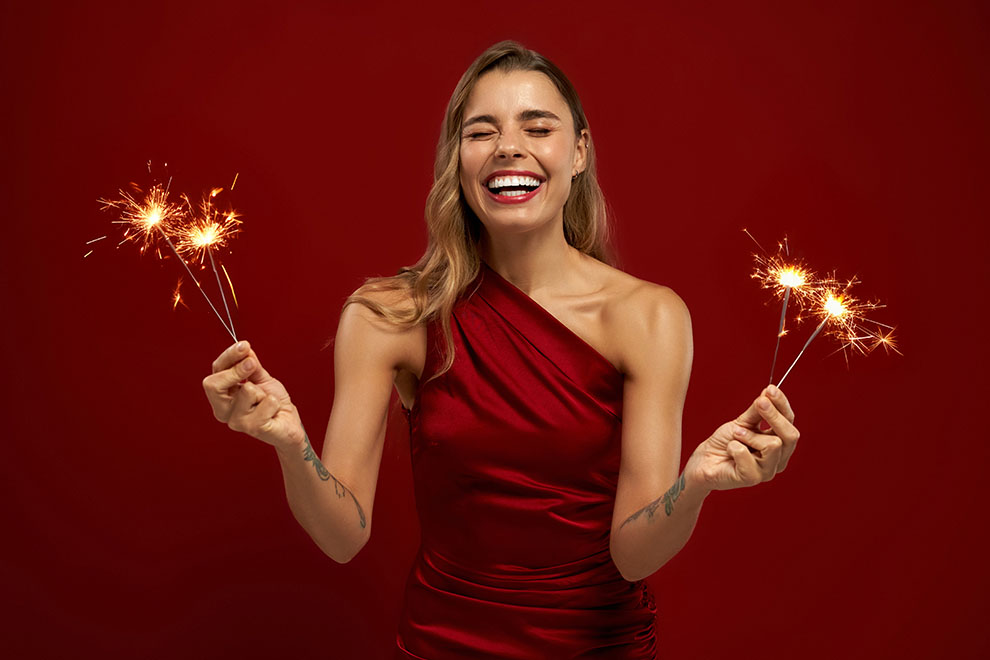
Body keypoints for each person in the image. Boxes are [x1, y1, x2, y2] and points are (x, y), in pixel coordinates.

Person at [202, 41, 800, 659]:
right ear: (458, 162)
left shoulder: (650, 316)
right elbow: (342, 536)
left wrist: (695, 484)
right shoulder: (390, 316)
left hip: (598, 647)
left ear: (578, 153)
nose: (508, 146)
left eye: (537, 127)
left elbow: (633, 551)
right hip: (442, 644)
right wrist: (291, 446)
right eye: (481, 131)